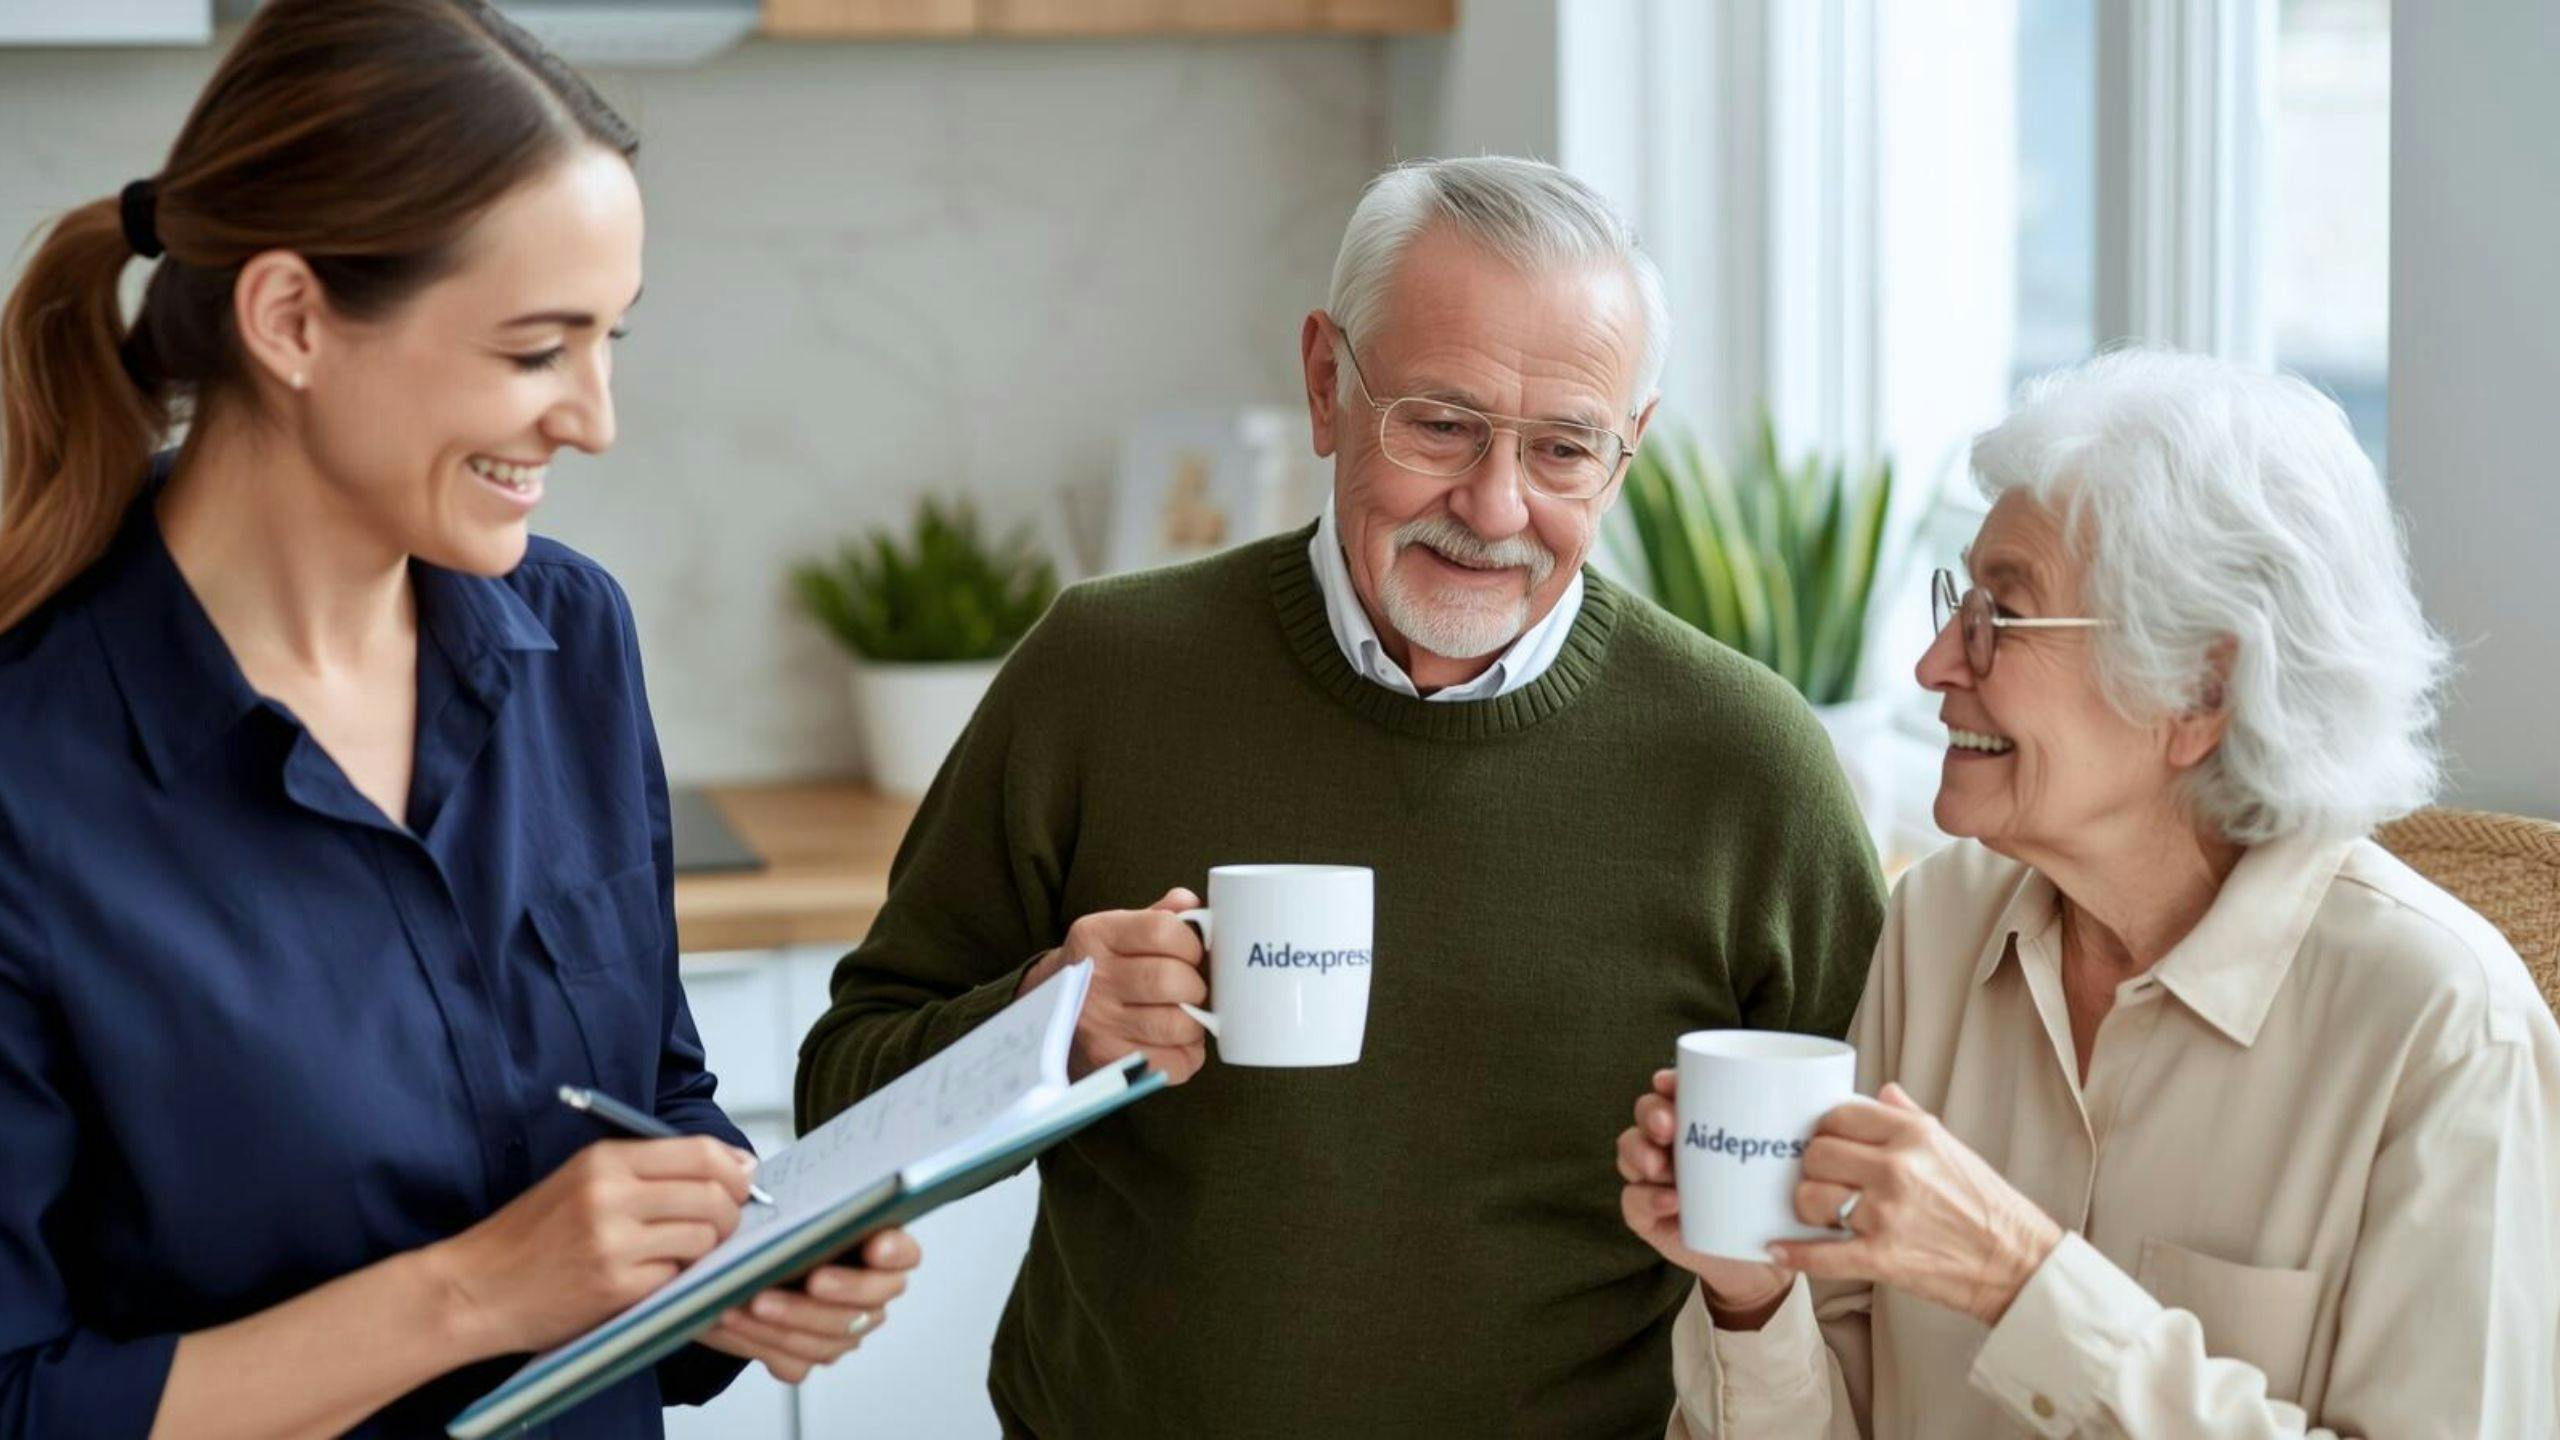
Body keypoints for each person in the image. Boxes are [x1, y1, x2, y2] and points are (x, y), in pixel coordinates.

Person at [795, 156, 1885, 1438]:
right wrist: (1043, 1030)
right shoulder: (1101, 675)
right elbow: (835, 1108)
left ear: (1628, 451)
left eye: (1562, 449)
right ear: (1326, 383)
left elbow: (1863, 1268)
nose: (1494, 505)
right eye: (1439, 422)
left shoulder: (1750, 767)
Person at [0, 3, 917, 1435]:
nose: (595, 419)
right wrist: (481, 1291)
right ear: (294, 320)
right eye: (539, 349)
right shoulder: (29, 770)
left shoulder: (574, 640)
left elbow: (659, 1093)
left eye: (610, 340)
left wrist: (730, 1257)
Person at [1616, 347, 2560, 1437]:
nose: (1931, 664)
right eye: (1956, 599)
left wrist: (2020, 1281)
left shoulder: (2442, 1024)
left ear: (2197, 691)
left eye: (2001, 618)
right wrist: (1750, 1293)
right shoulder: (1936, 926)